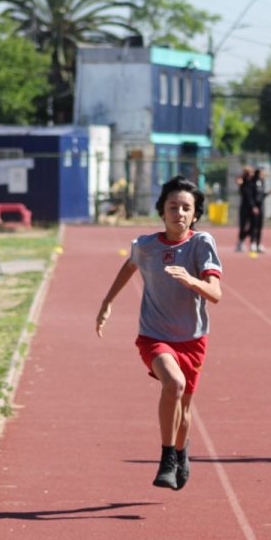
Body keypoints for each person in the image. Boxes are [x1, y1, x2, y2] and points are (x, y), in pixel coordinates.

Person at [95, 175, 223, 490]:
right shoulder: (146, 246)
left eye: (186, 208)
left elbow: (215, 294)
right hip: (154, 336)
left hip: (192, 339)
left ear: (195, 214)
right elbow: (130, 266)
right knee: (174, 384)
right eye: (173, 207)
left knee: (185, 410)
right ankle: (167, 458)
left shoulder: (201, 244)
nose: (179, 213)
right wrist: (107, 302)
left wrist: (191, 281)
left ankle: (181, 451)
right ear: (162, 211)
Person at [248, 167, 269, 253]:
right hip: (254, 208)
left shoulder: (262, 182)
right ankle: (252, 243)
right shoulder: (251, 183)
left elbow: (262, 195)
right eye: (261, 173)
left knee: (260, 226)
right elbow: (250, 196)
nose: (263, 175)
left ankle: (259, 244)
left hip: (261, 207)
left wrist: (268, 193)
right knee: (254, 226)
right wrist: (253, 206)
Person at [235, 167, 254, 252]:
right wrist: (241, 176)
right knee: (243, 226)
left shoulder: (252, 181)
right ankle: (240, 242)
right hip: (244, 206)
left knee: (253, 226)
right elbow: (238, 181)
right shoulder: (243, 181)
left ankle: (250, 242)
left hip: (252, 206)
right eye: (249, 172)